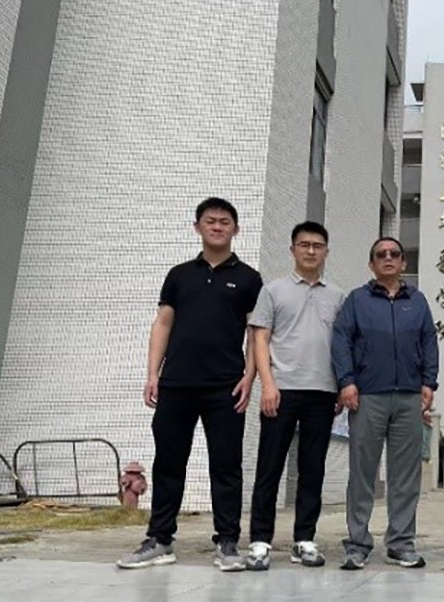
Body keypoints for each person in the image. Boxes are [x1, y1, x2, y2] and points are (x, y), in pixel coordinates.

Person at [117, 197, 262, 572]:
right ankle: (160, 539)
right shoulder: (179, 275)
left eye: (225, 221)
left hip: (226, 387)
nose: (217, 226)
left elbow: (256, 334)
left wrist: (250, 376)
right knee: (168, 462)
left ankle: (227, 542)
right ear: (197, 226)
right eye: (210, 221)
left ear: (236, 229)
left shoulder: (249, 279)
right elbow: (163, 324)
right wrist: (153, 374)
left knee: (226, 467)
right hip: (176, 384)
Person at [331, 237, 439, 570]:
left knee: (405, 476)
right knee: (362, 473)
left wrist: (428, 382)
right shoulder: (357, 300)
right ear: (372, 264)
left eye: (394, 254)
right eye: (381, 255)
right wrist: (347, 381)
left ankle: (401, 543)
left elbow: (429, 341)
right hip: (367, 396)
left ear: (403, 263)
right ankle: (357, 544)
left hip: (408, 397)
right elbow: (341, 340)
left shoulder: (417, 302)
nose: (388, 258)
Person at [245, 221, 344, 571]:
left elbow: (342, 345)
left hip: (322, 392)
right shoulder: (273, 291)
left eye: (318, 245)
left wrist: (340, 386)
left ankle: (304, 539)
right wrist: (267, 384)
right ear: (292, 250)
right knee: (269, 467)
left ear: (326, 252)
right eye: (304, 245)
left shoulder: (338, 296)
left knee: (312, 470)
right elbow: (259, 339)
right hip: (281, 390)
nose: (311, 251)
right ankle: (260, 540)